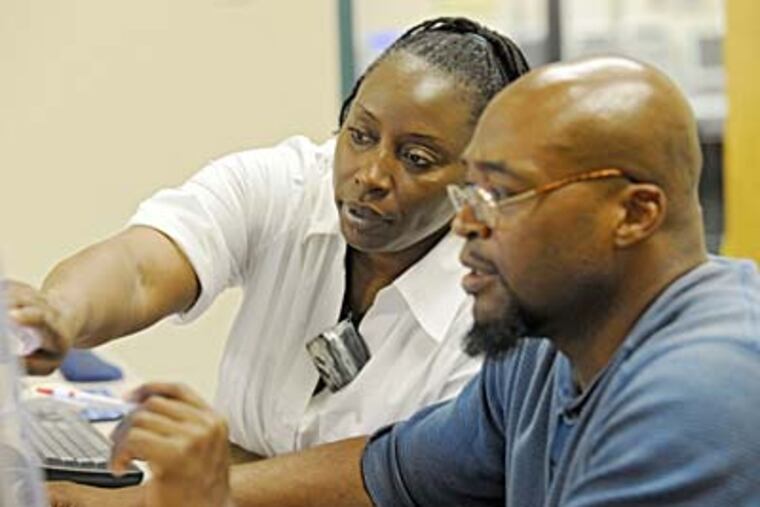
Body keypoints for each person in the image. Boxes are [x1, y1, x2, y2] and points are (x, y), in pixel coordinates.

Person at [82, 55, 760, 506]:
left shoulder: (699, 396)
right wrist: (181, 491)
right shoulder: (544, 350)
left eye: (501, 195)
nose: (465, 227)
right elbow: (387, 472)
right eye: (469, 192)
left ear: (634, 212)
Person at [8, 16, 533, 505]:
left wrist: (176, 493)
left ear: (476, 180)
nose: (371, 173)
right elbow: (143, 267)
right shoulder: (291, 183)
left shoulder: (498, 301)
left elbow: (395, 473)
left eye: (416, 158)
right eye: (361, 134)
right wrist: (60, 314)